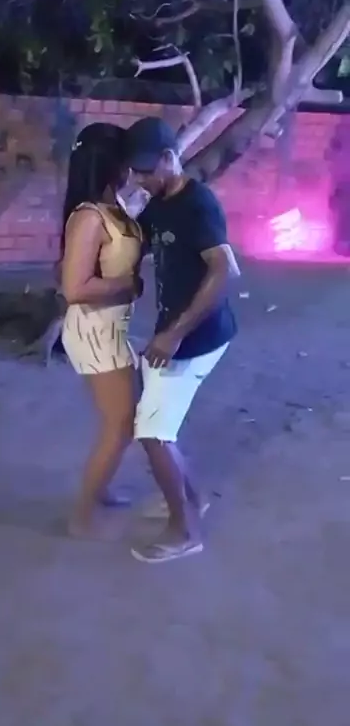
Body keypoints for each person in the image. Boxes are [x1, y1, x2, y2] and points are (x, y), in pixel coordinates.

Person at [123, 116, 240, 563]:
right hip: (174, 330)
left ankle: (185, 531)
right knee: (154, 423)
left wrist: (173, 335)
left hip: (197, 336)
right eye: (135, 171)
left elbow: (224, 271)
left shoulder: (198, 204)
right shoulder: (159, 203)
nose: (140, 179)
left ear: (170, 158)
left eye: (146, 170)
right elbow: (140, 244)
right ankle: (192, 499)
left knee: (152, 433)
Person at [60, 123, 143, 536]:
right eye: (128, 161)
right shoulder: (89, 217)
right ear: (114, 165)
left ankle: (101, 489)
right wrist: (128, 285)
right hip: (95, 332)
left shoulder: (114, 206)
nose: (133, 168)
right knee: (121, 423)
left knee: (127, 417)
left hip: (112, 327)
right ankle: (82, 514)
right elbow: (74, 288)